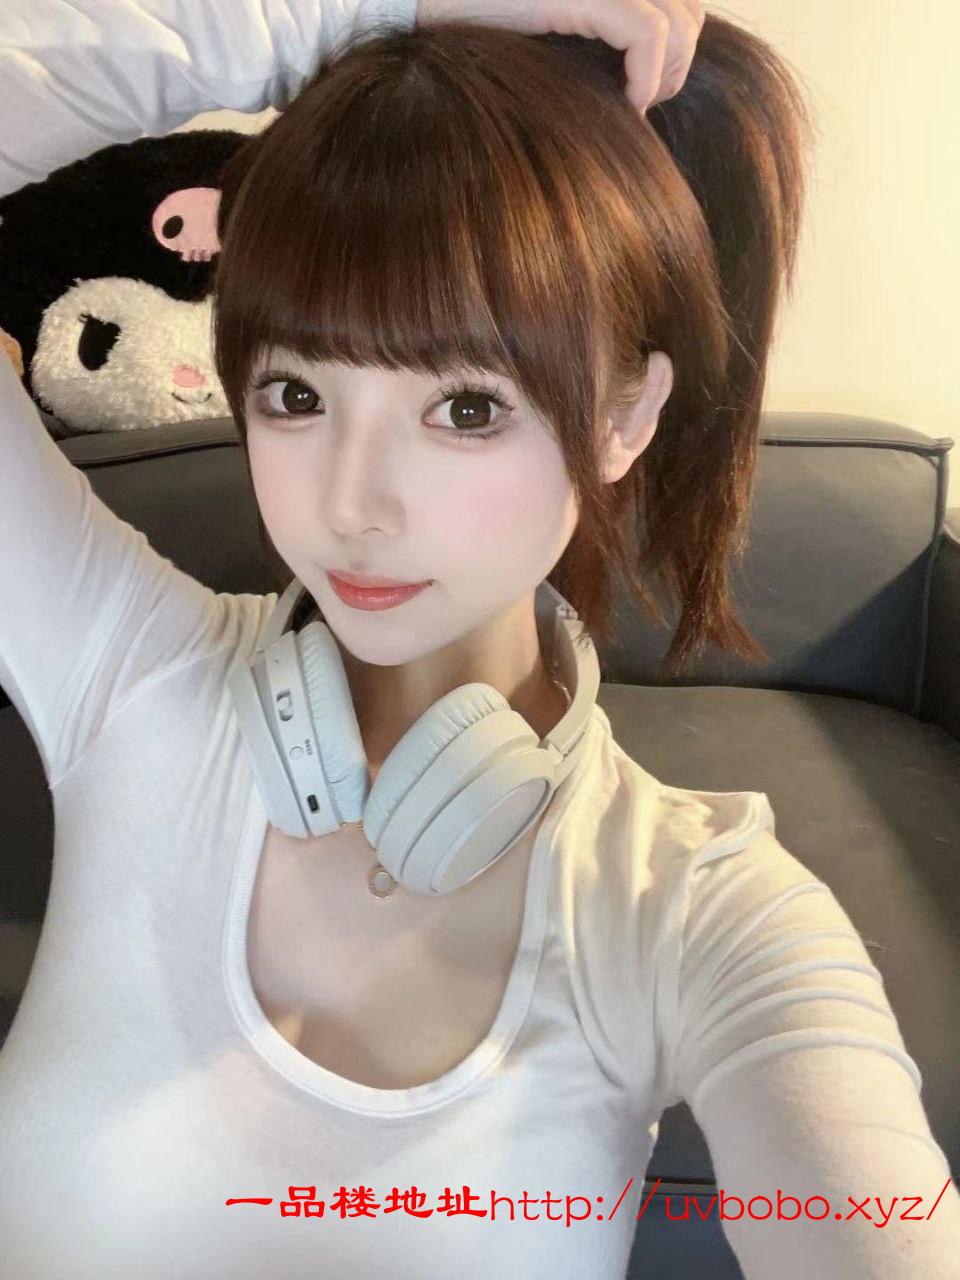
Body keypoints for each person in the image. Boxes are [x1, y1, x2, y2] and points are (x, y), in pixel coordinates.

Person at [0, 3, 957, 1278]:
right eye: (296, 393)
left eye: (463, 408)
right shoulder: (126, 671)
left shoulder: (700, 914)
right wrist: (365, 13)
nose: (354, 503)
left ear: (625, 417)